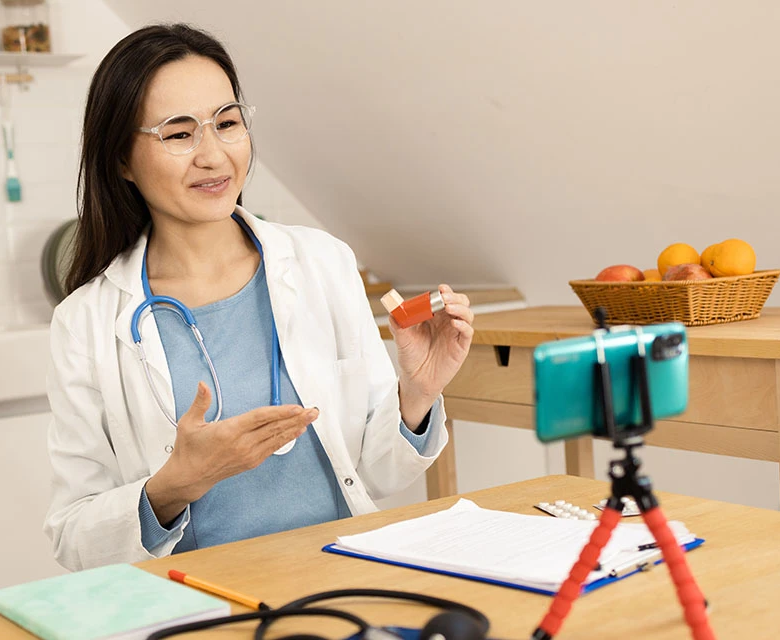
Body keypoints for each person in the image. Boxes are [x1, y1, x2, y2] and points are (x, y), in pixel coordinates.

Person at [44, 23, 475, 571]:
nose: (214, 155)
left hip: (343, 576)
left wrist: (416, 394)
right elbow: (72, 536)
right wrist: (176, 485)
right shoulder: (85, 321)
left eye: (227, 123)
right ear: (122, 160)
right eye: (179, 134)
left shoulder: (323, 263)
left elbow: (374, 473)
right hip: (196, 601)